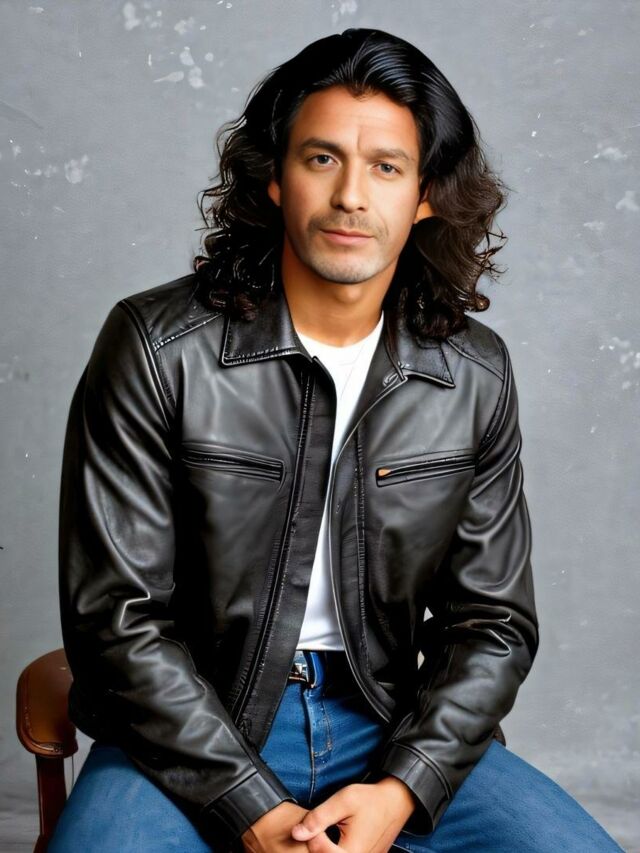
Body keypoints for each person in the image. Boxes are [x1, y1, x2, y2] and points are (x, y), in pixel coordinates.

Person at [50, 28, 622, 853]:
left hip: (386, 725)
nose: (352, 195)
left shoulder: (471, 374)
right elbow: (116, 619)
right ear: (275, 178)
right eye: (322, 159)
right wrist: (251, 807)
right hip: (187, 731)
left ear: (425, 194)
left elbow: (491, 623)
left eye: (386, 166)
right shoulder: (156, 346)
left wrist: (401, 789)